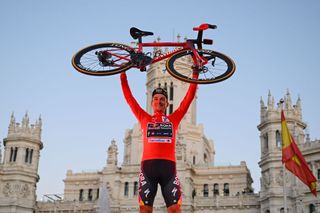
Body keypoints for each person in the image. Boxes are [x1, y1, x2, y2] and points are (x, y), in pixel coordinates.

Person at [120, 71, 198, 213]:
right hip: (148, 169)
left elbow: (188, 98)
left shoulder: (173, 119)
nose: (159, 101)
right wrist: (123, 75)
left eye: (162, 99)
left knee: (175, 209)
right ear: (151, 103)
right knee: (145, 210)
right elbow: (129, 99)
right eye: (155, 98)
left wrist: (195, 74)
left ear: (167, 103)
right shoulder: (144, 118)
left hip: (169, 169)